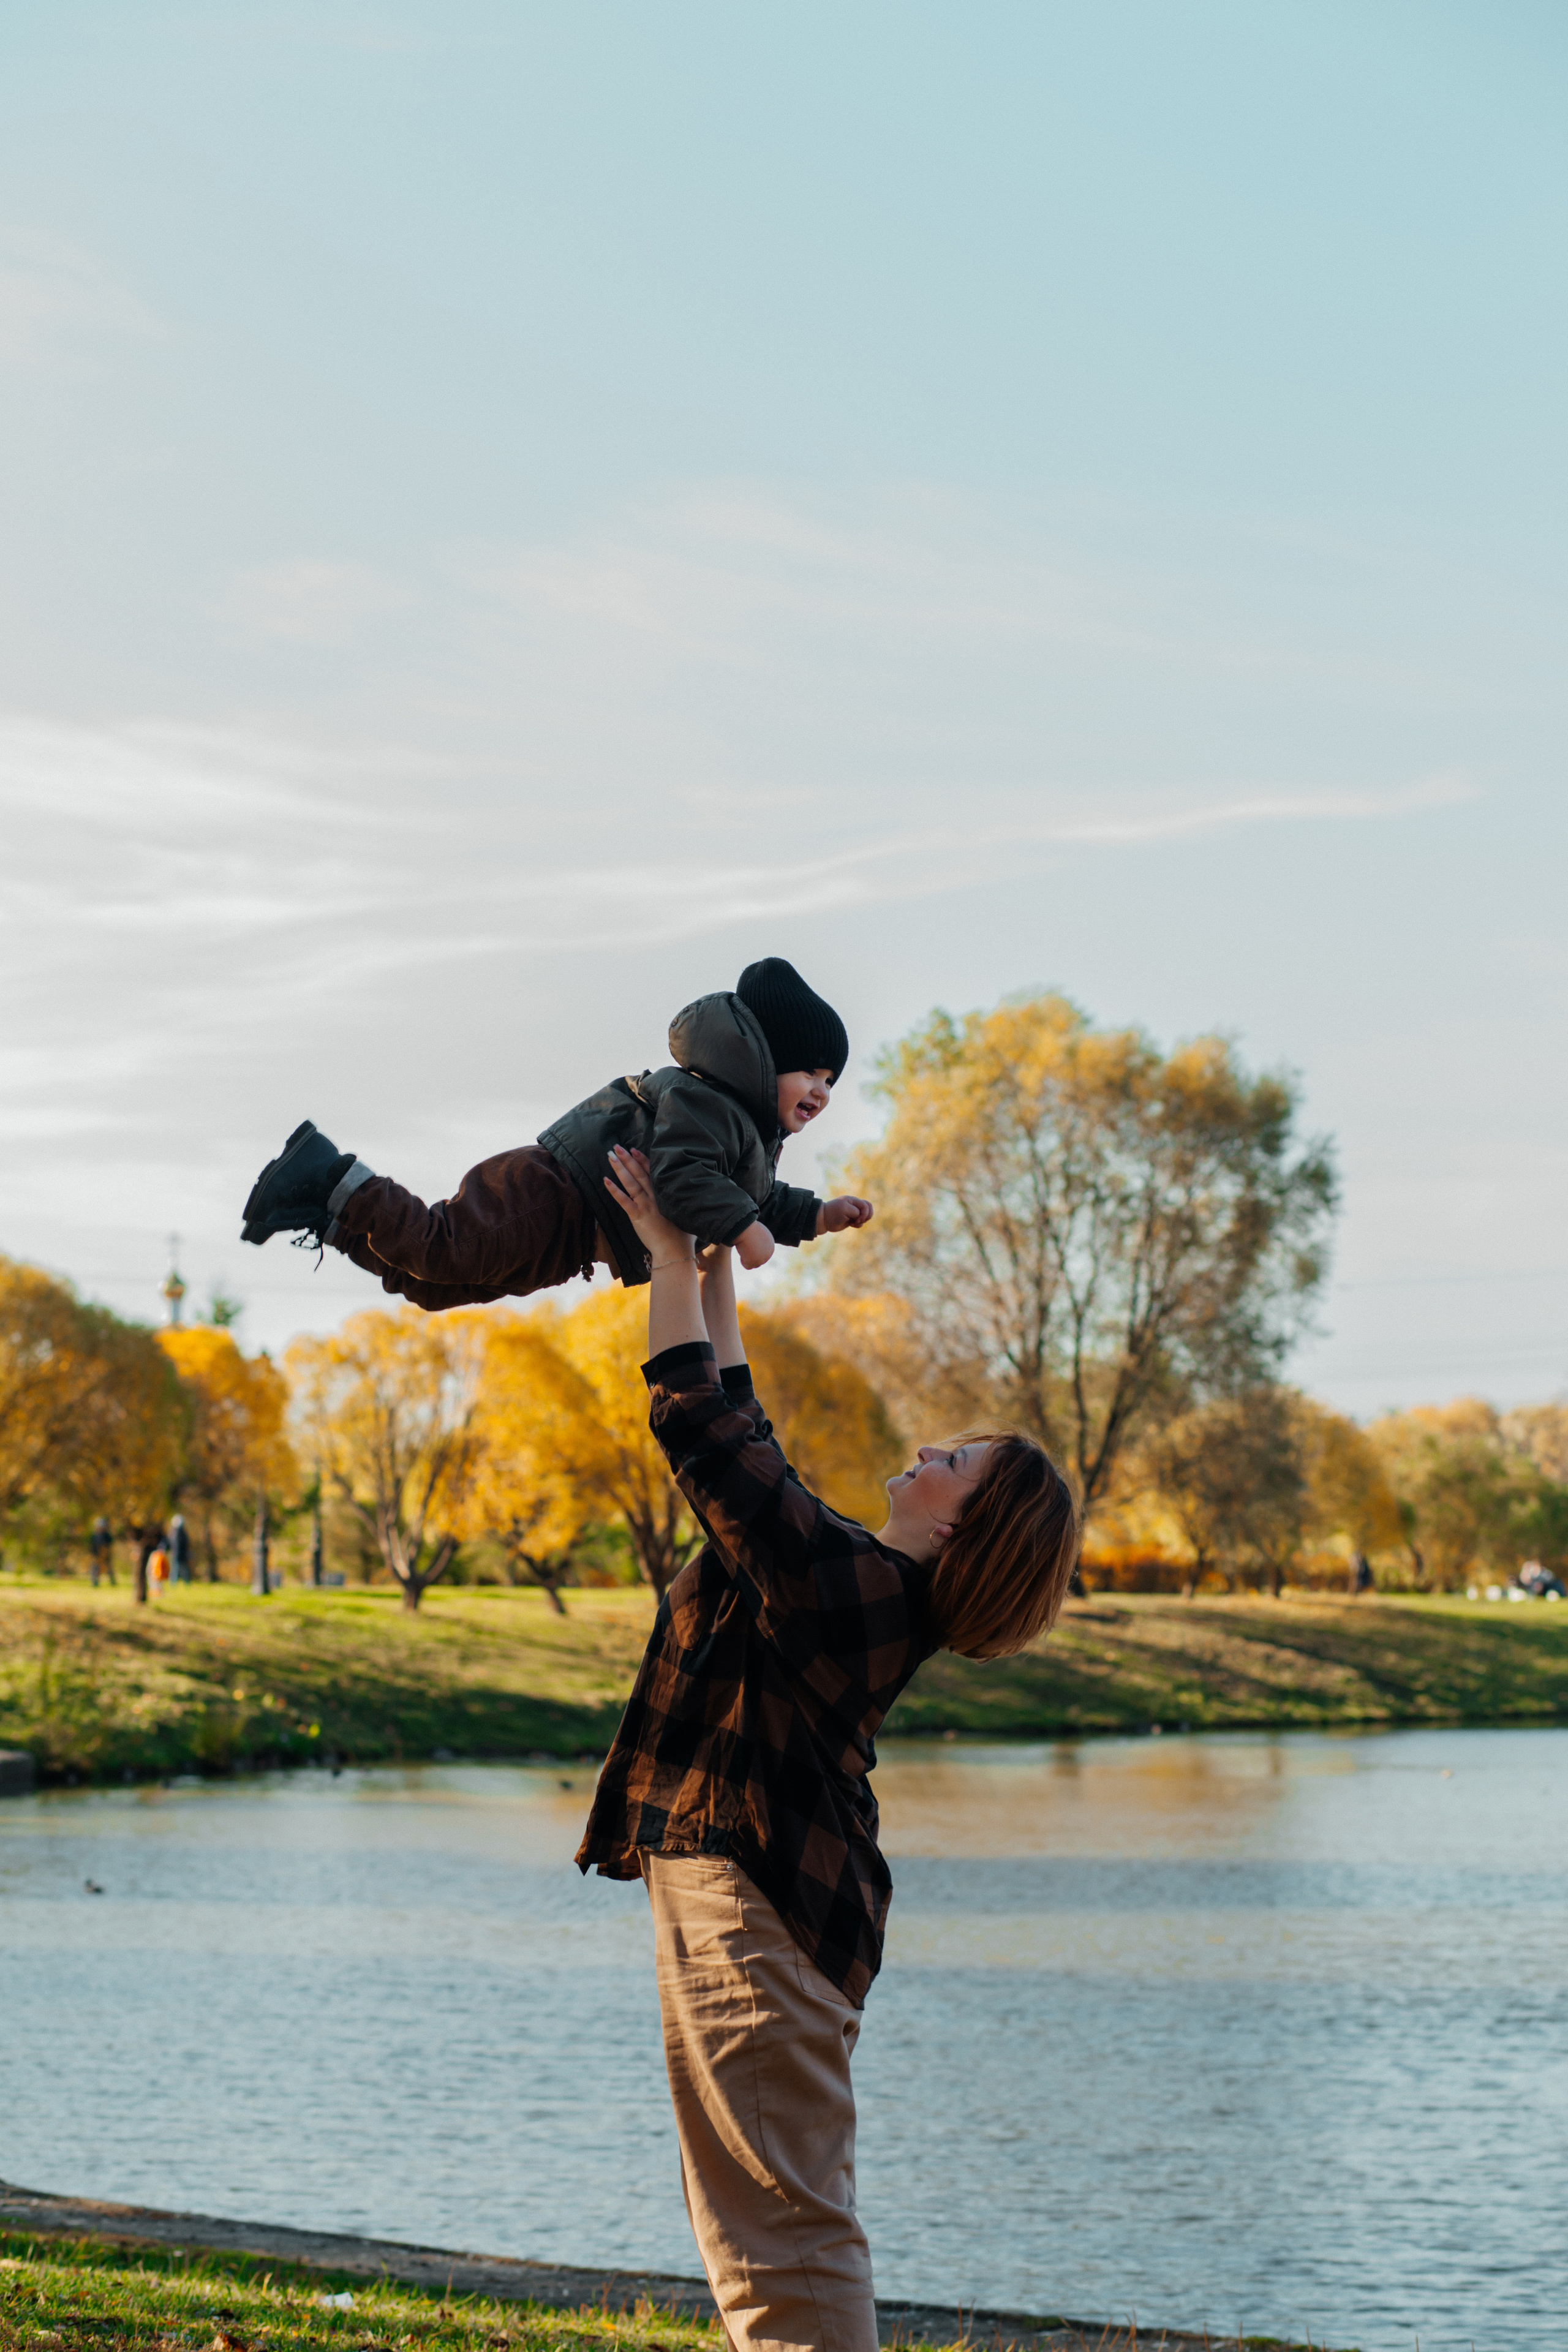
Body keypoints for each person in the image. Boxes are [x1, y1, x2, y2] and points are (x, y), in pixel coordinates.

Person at [577, 1145, 1081, 2352]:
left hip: (756, 1922)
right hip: (753, 1908)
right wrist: (706, 1261)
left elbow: (698, 1429)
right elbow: (744, 1435)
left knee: (781, 2236)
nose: (929, 1449)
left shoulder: (852, 1594)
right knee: (761, 2225)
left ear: (962, 1528)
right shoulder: (850, 1573)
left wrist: (660, 1260)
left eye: (953, 1460)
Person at [237, 958, 874, 1311]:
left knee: (433, 1287)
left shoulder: (748, 1137)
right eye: (808, 1073)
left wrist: (817, 1216)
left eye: (830, 1081)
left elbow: (758, 1196)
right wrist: (744, 1229)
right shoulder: (705, 1099)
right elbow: (683, 1181)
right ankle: (327, 1172)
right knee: (440, 1248)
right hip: (557, 1195)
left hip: (575, 1239)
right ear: (762, 1059)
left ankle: (327, 1214)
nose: (820, 1091)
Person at [88, 1516, 115, 1589]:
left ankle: (113, 1582)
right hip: (96, 1555)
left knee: (109, 1569)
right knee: (95, 1569)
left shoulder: (107, 1535)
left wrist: (106, 1553)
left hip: (105, 1555)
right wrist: (94, 1554)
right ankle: (95, 1583)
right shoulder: (95, 1535)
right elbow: (92, 1546)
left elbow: (109, 1545)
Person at [168, 1513, 192, 1585]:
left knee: (181, 1569)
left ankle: (186, 1583)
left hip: (180, 1554)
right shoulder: (177, 1533)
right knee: (176, 1569)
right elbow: (177, 1545)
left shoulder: (177, 1532)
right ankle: (174, 1583)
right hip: (178, 1554)